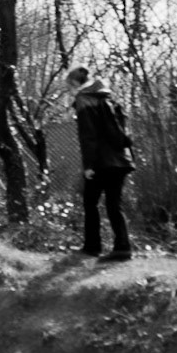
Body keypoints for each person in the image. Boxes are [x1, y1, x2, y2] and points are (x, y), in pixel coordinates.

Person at [66, 65, 135, 262]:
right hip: (122, 158)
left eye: (69, 86)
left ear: (74, 83)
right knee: (114, 204)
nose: (69, 91)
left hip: (102, 161)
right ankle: (123, 247)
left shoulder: (84, 100)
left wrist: (88, 165)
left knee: (90, 201)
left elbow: (88, 135)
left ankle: (92, 247)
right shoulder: (108, 97)